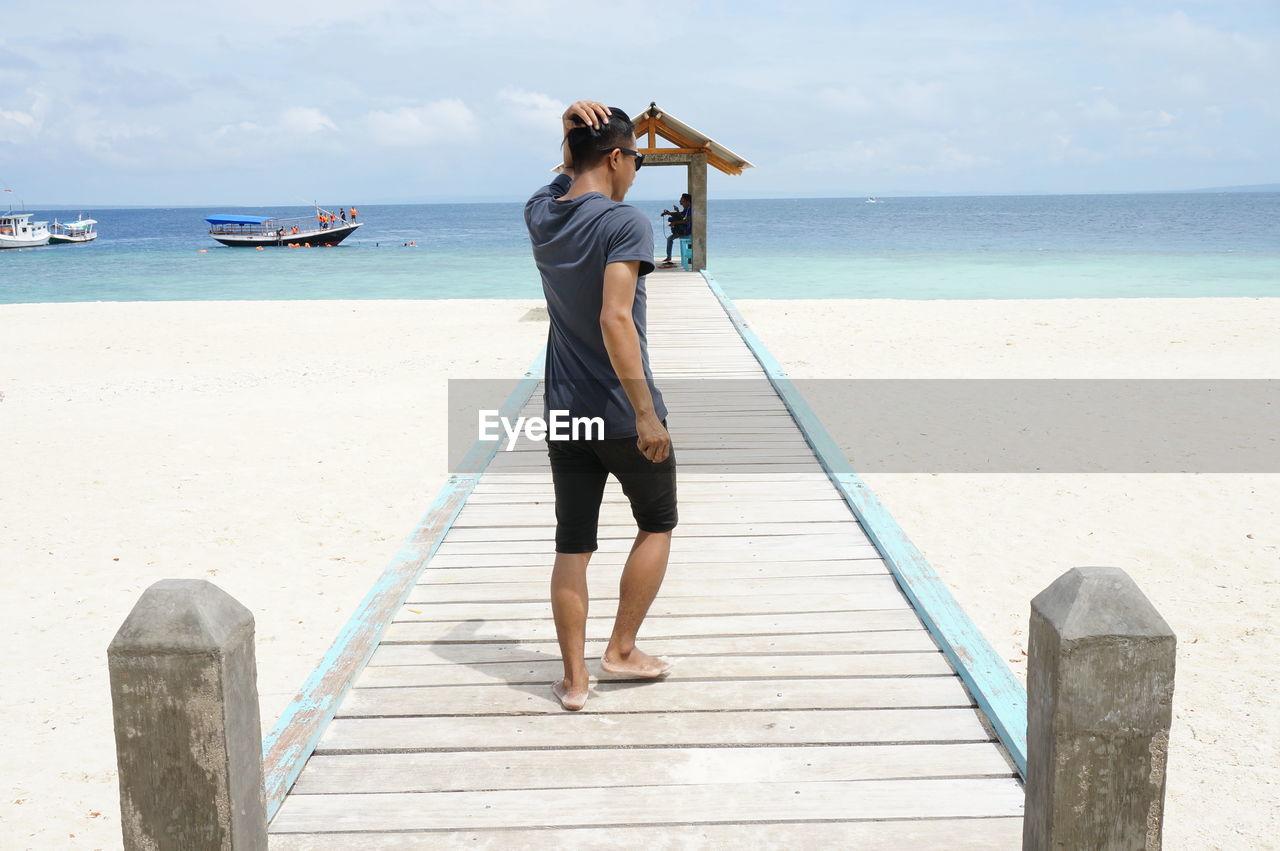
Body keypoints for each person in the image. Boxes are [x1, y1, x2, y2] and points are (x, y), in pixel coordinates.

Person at [525, 100, 677, 712]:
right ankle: (620, 649)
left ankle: (575, 682)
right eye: (637, 157)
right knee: (657, 524)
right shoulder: (624, 223)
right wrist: (645, 413)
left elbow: (563, 170)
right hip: (620, 409)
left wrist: (569, 121)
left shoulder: (541, 214)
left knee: (573, 545)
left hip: (565, 409)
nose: (637, 170)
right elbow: (616, 318)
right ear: (616, 157)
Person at [659, 193, 692, 267]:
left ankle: (669, 257)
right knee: (669, 238)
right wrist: (669, 213)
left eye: (682, 199)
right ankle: (669, 257)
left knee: (672, 221)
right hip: (683, 229)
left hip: (686, 230)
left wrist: (675, 222)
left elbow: (686, 220)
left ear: (687, 201)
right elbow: (680, 215)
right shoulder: (686, 209)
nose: (680, 200)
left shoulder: (690, 209)